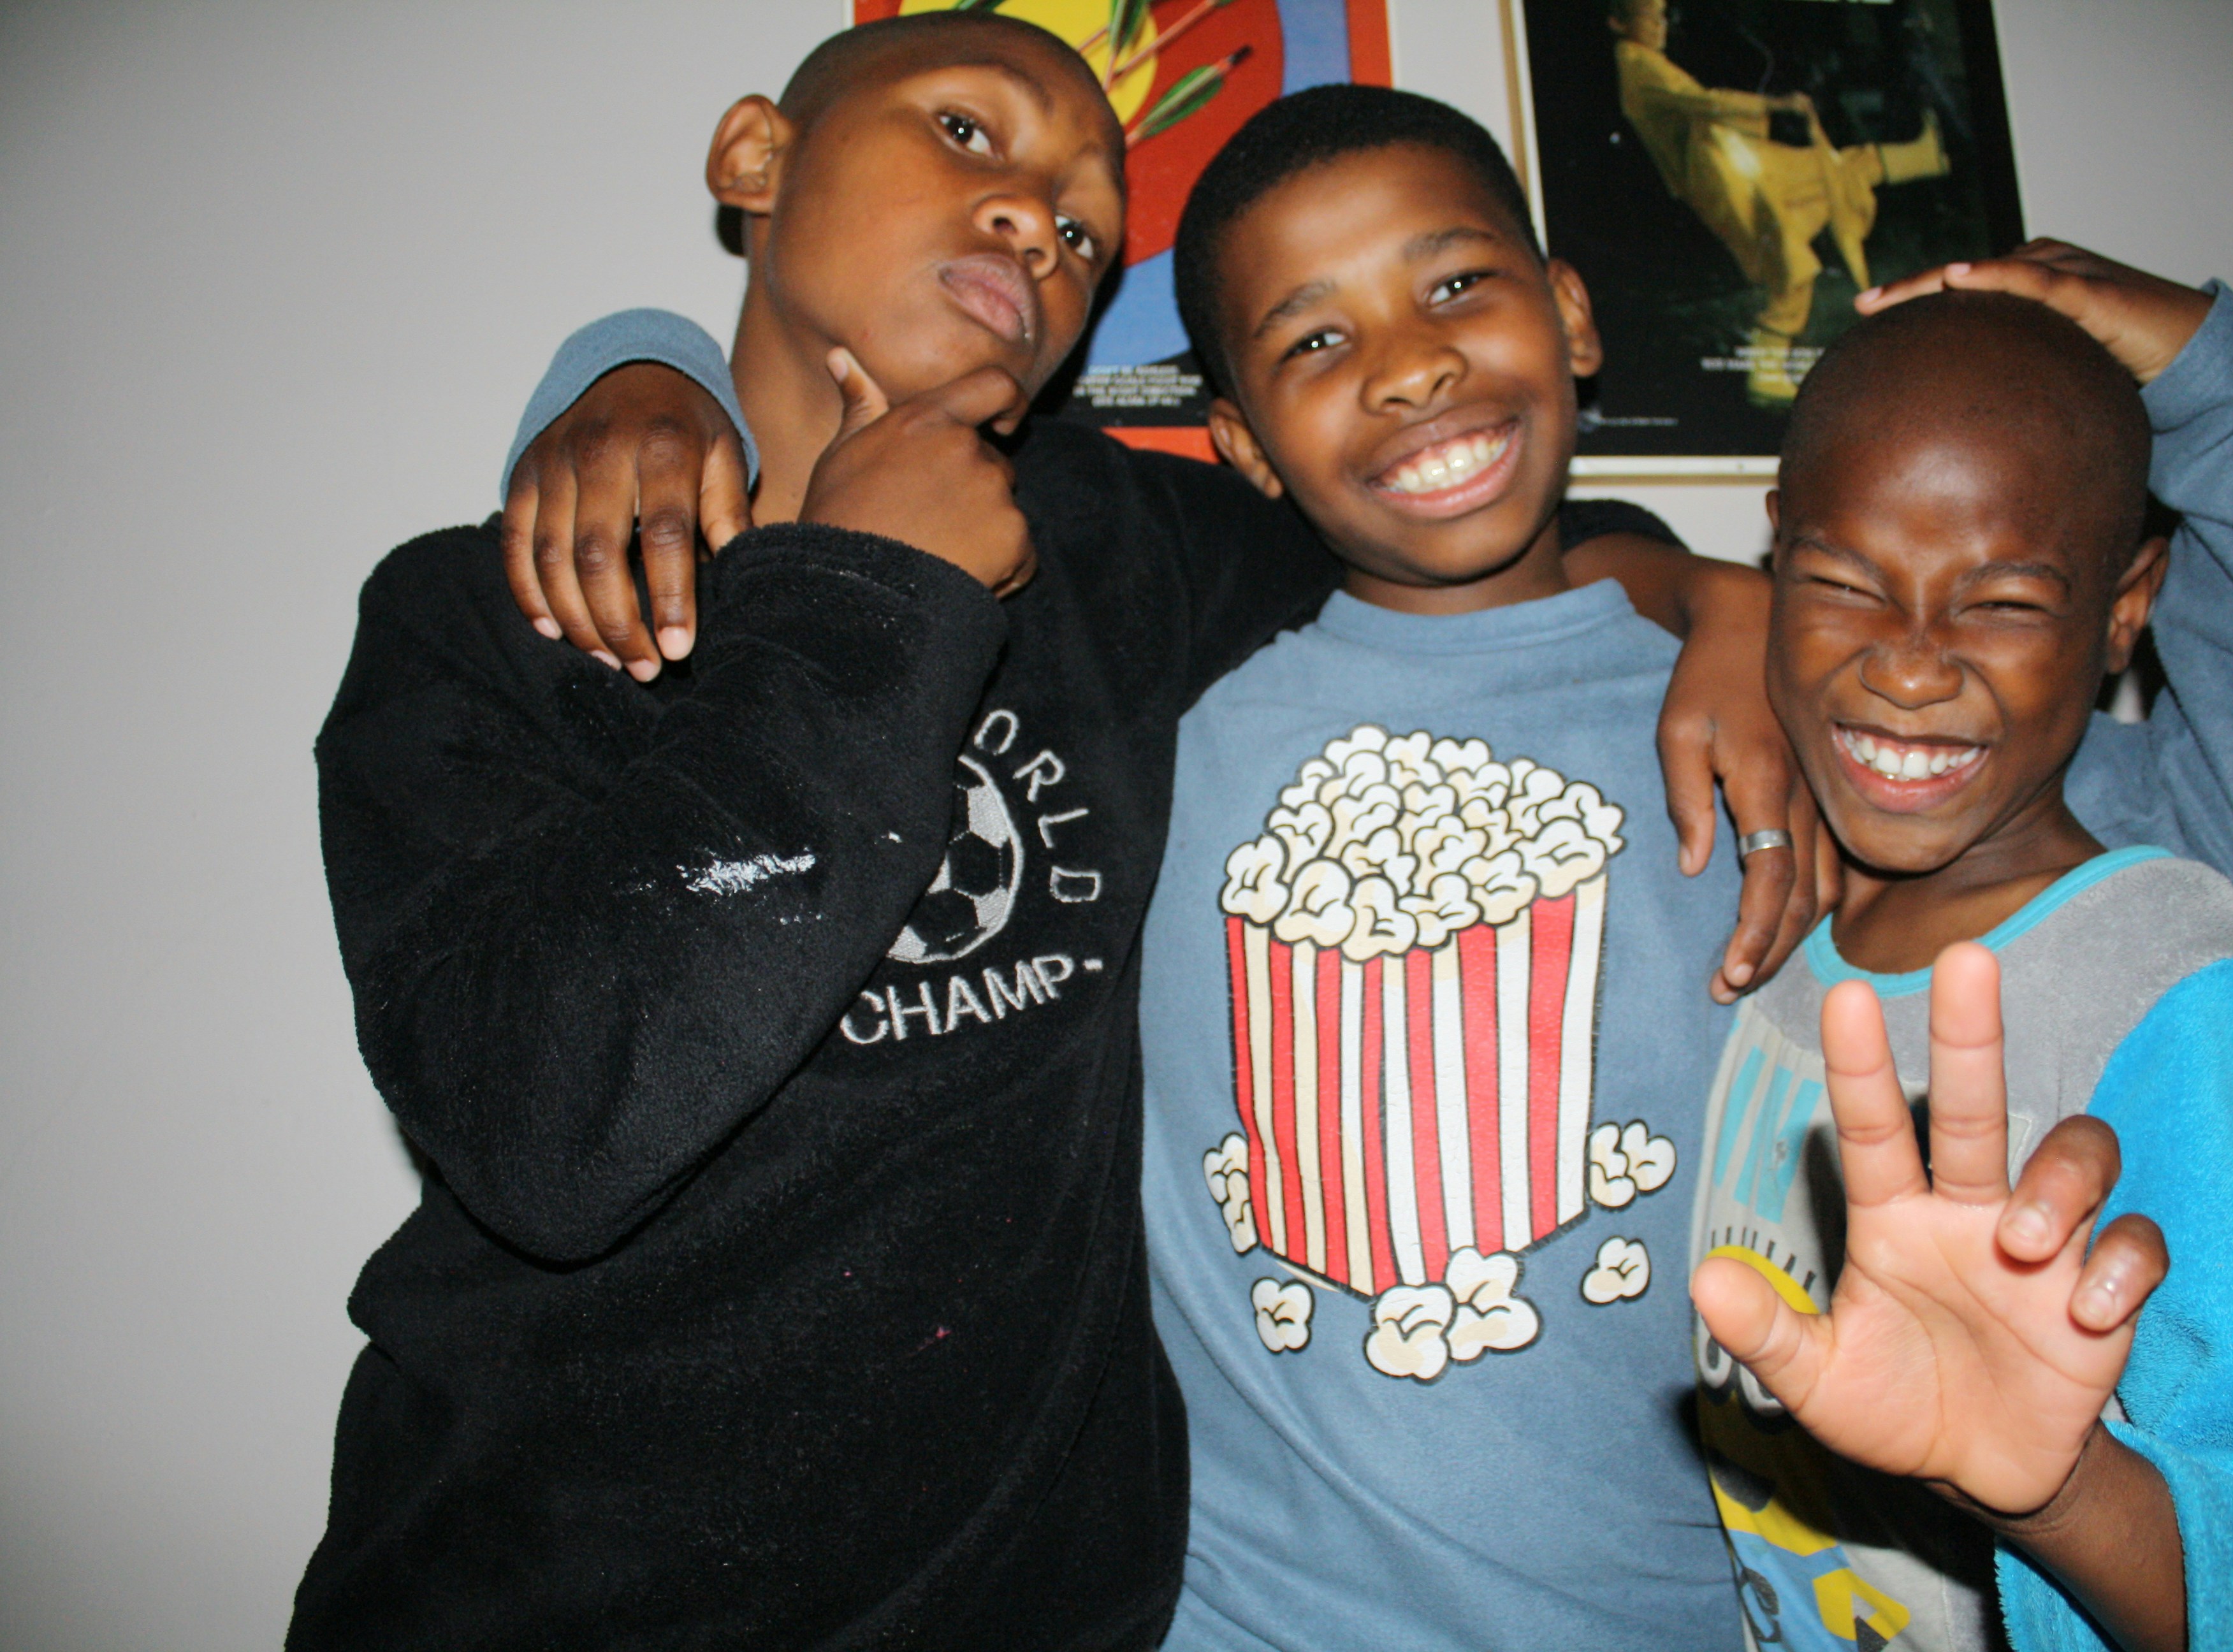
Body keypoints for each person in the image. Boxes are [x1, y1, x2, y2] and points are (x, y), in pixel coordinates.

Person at [298, 16, 1805, 1650]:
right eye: (965, 132)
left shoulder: (1115, 550)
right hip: (533, 1590)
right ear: (753, 158)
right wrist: (827, 547)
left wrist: (1695, 582)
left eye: (1088, 226)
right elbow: (550, 1136)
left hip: (1035, 1605)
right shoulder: (488, 612)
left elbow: (1430, 511)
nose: (1036, 216)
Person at [1687, 289, 2233, 1650]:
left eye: (1999, 602)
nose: (1913, 665)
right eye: (1843, 581)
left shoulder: (2172, 973)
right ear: (1775, 554)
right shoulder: (1792, 944)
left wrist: (2063, 1494)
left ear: (2125, 613)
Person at [1608, 0, 1950, 403]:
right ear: (1619, 22)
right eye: (1650, 17)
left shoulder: (1643, 61)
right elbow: (1707, 101)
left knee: (1837, 171)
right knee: (1792, 268)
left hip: (1743, 167)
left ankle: (1923, 157)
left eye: (1662, 16)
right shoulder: (1638, 65)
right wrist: (1776, 105)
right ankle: (1764, 377)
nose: (1660, 26)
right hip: (1728, 183)